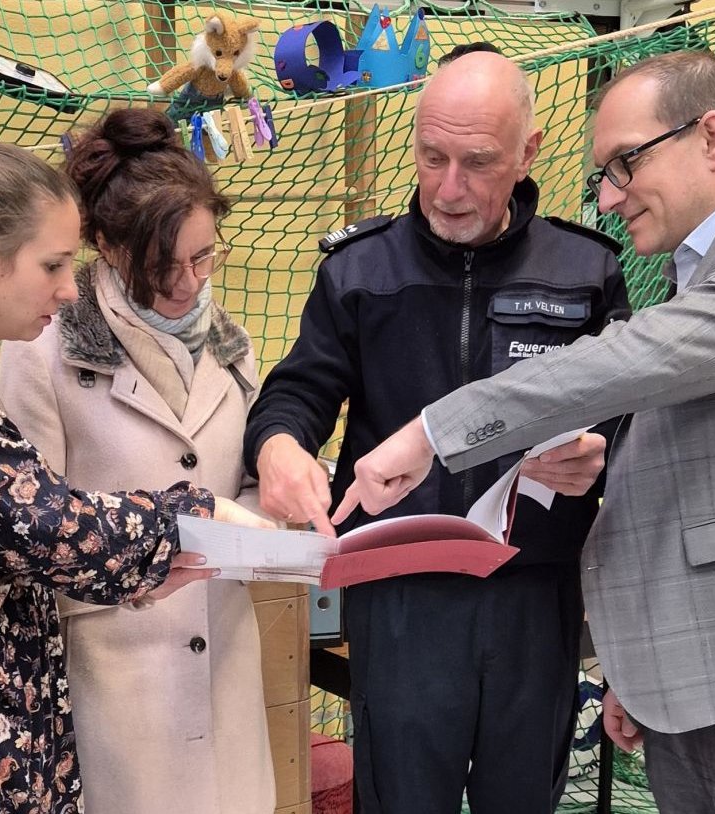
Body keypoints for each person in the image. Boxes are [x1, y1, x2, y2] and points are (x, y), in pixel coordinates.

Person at [341, 50, 715, 814]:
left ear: (710, 137)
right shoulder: (700, 273)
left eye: (623, 164)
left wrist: (430, 433)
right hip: (700, 692)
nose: (608, 198)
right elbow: (690, 486)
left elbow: (628, 362)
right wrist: (640, 670)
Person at [242, 50, 627, 814]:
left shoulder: (585, 271)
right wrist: (277, 447)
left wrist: (601, 455)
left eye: (478, 163)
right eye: (430, 157)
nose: (448, 189)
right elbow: (297, 390)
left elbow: (628, 414)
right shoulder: (358, 269)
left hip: (534, 595)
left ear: (527, 152)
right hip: (401, 600)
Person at [0, 135, 271, 814]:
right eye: (51, 265)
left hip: (24, 723)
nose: (65, 287)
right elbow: (42, 524)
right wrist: (186, 520)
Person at [0, 108, 275, 814]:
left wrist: (285, 507)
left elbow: (242, 485)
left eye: (203, 256)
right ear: (108, 247)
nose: (186, 284)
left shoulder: (232, 346)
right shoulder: (44, 350)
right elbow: (29, 534)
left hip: (226, 675)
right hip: (116, 691)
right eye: (162, 265)